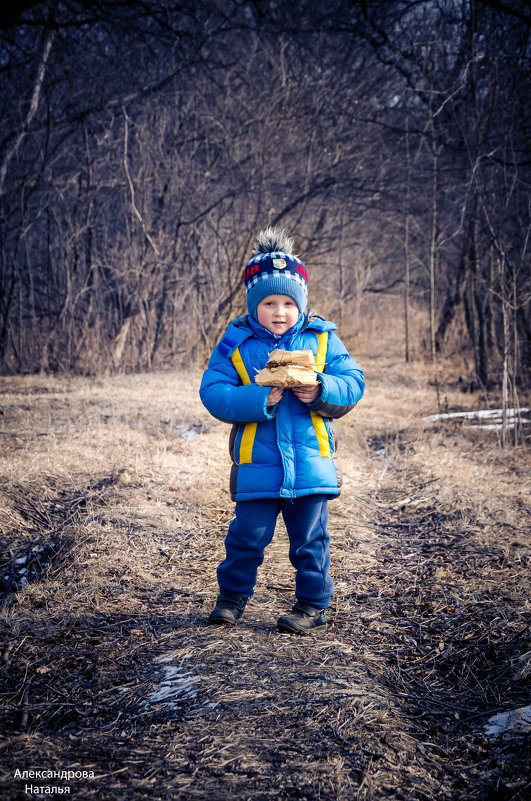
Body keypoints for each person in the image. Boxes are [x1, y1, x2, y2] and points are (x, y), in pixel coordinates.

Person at [199, 227, 365, 634]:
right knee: (245, 537)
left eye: (288, 303)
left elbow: (354, 381)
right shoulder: (236, 343)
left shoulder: (322, 340)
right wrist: (259, 399)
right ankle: (231, 598)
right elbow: (213, 390)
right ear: (254, 305)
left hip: (310, 465)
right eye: (269, 302)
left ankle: (312, 606)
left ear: (301, 304)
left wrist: (321, 389)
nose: (279, 311)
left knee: (310, 542)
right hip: (258, 463)